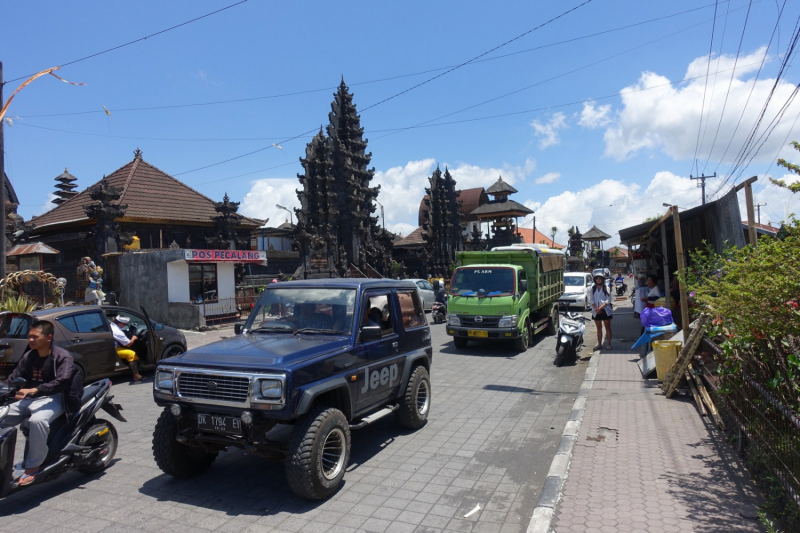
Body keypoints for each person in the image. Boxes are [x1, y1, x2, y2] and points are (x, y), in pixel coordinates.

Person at [0, 320, 75, 486]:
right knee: (1, 416)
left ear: (49, 337)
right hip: (28, 398)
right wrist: (3, 387)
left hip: (55, 397)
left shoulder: (62, 357)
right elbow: (12, 378)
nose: (31, 340)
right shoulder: (29, 356)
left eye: (35, 337)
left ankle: (33, 466)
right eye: (29, 337)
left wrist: (35, 390)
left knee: (37, 421)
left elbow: (62, 381)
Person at [110, 315, 143, 382]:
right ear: (120, 323)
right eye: (124, 324)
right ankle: (136, 376)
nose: (125, 325)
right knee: (131, 353)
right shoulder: (117, 332)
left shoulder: (112, 325)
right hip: (114, 350)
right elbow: (128, 344)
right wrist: (133, 338)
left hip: (113, 347)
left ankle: (138, 368)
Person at [591, 274, 613, 350]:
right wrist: (596, 308)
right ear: (595, 280)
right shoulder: (592, 288)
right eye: (597, 278)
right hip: (596, 311)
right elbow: (591, 300)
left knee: (607, 327)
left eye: (600, 278)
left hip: (605, 310)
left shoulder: (606, 288)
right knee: (599, 328)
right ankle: (599, 344)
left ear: (602, 279)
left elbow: (608, 300)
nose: (599, 280)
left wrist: (600, 308)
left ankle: (609, 344)